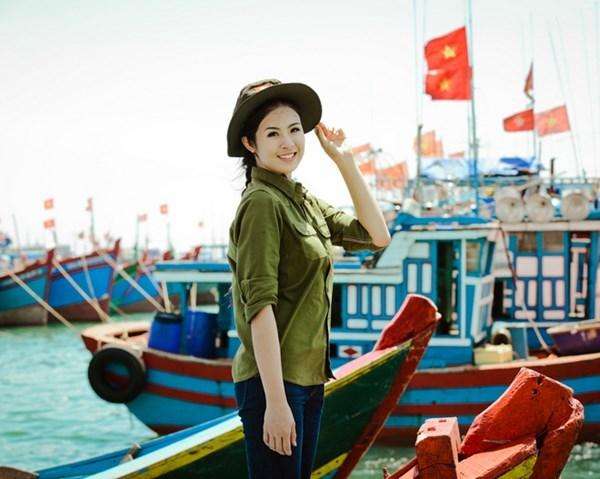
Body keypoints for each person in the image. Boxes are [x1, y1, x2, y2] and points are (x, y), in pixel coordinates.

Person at [226, 79, 391, 479]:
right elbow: (259, 308)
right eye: (272, 133)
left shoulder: (301, 199)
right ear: (250, 143)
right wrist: (275, 404)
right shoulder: (262, 203)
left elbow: (376, 236)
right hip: (274, 385)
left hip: (308, 379)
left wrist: (345, 161)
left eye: (295, 129)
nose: (288, 143)